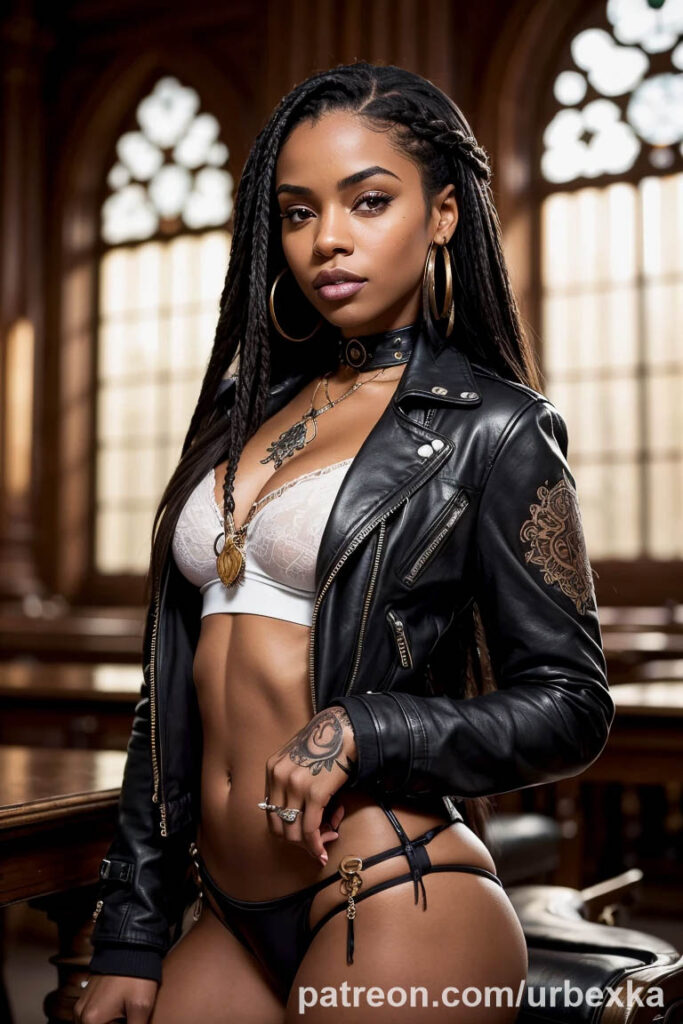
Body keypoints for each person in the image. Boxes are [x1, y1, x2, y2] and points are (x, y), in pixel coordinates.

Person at [73, 61, 614, 1024]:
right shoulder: (242, 417)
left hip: (398, 889)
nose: (327, 239)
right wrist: (132, 928)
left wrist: (368, 726)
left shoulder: (495, 430)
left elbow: (570, 708)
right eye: (296, 212)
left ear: (443, 214)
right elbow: (169, 705)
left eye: (369, 201)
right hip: (230, 911)